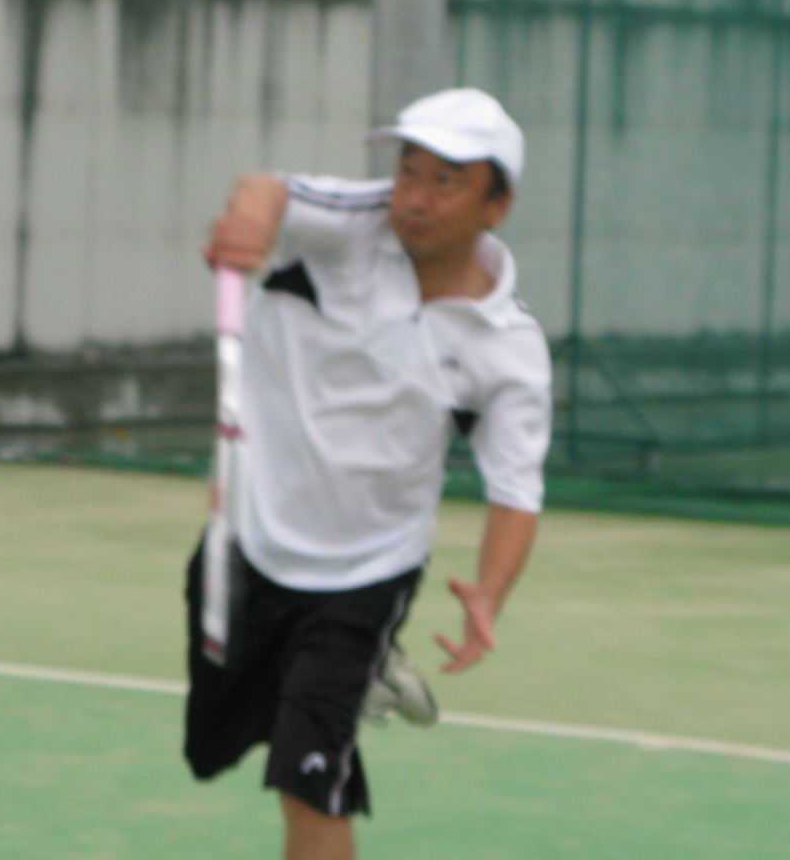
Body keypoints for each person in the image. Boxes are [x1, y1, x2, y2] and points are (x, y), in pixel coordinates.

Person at [182, 88, 552, 860]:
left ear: (498, 205)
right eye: (408, 171)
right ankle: (358, 684)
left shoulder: (508, 349)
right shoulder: (350, 221)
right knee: (216, 746)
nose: (414, 197)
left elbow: (515, 489)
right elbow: (267, 189)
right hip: (254, 540)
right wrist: (250, 223)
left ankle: (351, 676)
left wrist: (490, 592)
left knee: (305, 778)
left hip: (367, 575)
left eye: (446, 181)